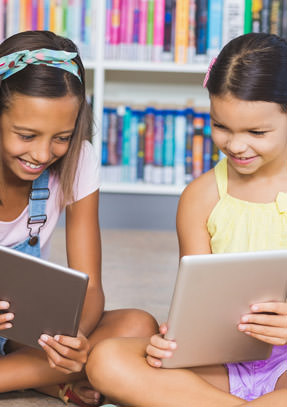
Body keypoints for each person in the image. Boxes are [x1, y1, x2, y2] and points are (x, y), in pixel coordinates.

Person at [85, 32, 287, 406]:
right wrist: (176, 336)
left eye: (257, 132)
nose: (236, 145)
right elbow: (198, 303)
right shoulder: (201, 197)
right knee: (107, 360)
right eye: (221, 127)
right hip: (222, 360)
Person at [0, 30, 158, 406]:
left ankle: (14, 376)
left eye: (61, 137)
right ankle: (44, 379)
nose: (42, 154)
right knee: (106, 362)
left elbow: (90, 289)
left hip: (22, 333)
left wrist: (74, 341)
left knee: (138, 327)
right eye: (25, 135)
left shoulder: (79, 161)